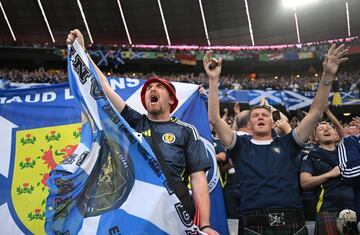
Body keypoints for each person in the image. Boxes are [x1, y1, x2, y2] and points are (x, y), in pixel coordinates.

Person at [66, 29, 219, 235]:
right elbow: (105, 90)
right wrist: (83, 52)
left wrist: (206, 225)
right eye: (148, 89)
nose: (152, 90)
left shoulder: (186, 131)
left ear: (172, 100)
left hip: (175, 212)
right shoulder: (133, 122)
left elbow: (198, 178)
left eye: (158, 87)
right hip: (137, 211)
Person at [204, 44, 348, 234]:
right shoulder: (239, 144)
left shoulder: (287, 142)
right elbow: (214, 119)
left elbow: (315, 113)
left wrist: (327, 75)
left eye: (265, 114)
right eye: (255, 116)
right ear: (250, 124)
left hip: (293, 220)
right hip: (252, 221)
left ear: (273, 123)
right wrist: (213, 80)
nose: (261, 117)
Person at [300, 122, 356, 235]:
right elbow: (304, 183)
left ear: (335, 134)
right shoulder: (311, 157)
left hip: (354, 206)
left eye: (329, 128)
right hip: (328, 209)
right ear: (315, 137)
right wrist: (329, 174)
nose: (326, 130)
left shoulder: (349, 152)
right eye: (321, 129)